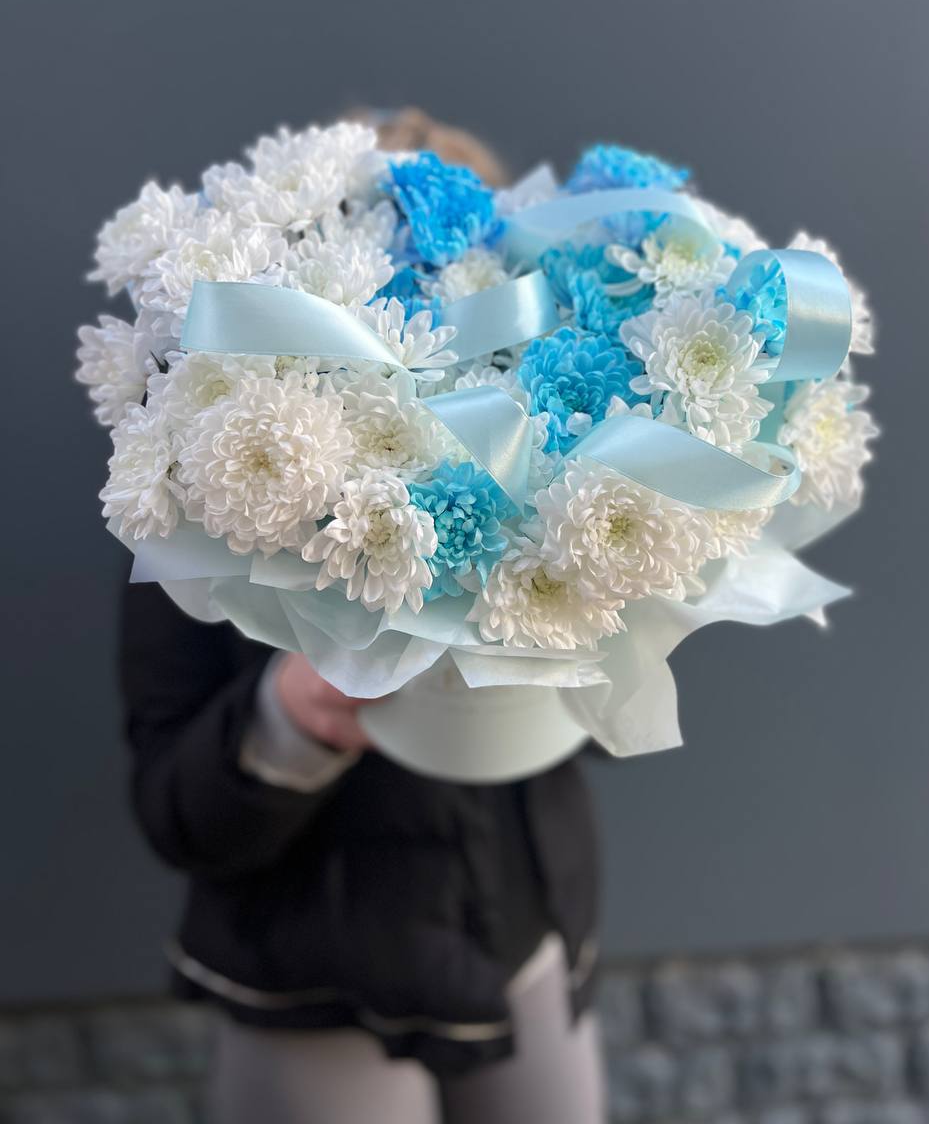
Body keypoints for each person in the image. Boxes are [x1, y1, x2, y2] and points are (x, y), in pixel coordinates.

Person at [119, 111, 605, 1124]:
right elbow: (175, 812)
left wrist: (595, 602)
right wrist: (288, 717)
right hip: (313, 983)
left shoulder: (560, 468)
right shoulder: (197, 502)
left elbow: (607, 727)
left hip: (528, 949)